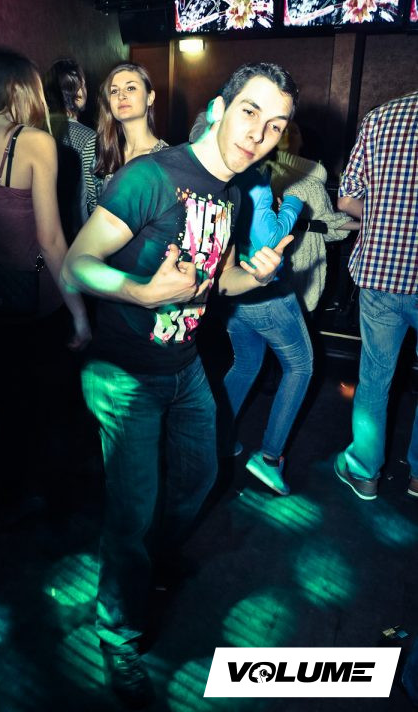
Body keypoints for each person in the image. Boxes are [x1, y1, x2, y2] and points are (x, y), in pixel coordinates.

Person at [63, 61, 298, 707]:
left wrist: (256, 275)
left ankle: (148, 561)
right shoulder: (150, 177)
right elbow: (78, 262)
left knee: (200, 476)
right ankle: (118, 633)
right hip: (126, 375)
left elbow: (218, 282)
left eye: (276, 125)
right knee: (132, 512)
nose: (259, 134)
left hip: (186, 366)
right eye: (250, 112)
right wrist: (142, 291)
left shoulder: (231, 195)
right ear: (220, 109)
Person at [0, 47, 90, 512]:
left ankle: (11, 494)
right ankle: (58, 502)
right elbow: (51, 239)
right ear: (23, 89)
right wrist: (79, 312)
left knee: (6, 401)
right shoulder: (33, 142)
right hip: (35, 300)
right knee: (54, 406)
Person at [334, 90, 418, 501]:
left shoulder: (382, 117)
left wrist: (389, 216)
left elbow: (347, 198)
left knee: (374, 379)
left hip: (382, 272)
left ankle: (365, 472)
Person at [217, 161, 312, 496]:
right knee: (300, 367)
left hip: (231, 292)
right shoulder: (254, 179)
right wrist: (292, 205)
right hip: (266, 295)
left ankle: (218, 438)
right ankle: (270, 459)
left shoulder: (222, 174)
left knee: (245, 364)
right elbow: (271, 238)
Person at [266, 120, 359, 314]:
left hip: (304, 254)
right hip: (273, 253)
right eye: (282, 130)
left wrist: (364, 224)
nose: (288, 135)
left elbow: (327, 222)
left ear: (303, 141)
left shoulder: (313, 178)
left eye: (294, 131)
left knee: (299, 314)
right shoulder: (262, 169)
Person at [89, 61, 167, 211]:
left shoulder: (167, 159)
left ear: (150, 97)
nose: (121, 95)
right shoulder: (103, 156)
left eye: (130, 88)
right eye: (114, 91)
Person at [43, 58, 96, 243]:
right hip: (76, 234)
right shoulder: (89, 138)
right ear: (77, 92)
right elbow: (92, 198)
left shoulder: (33, 129)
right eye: (84, 85)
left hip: (40, 231)